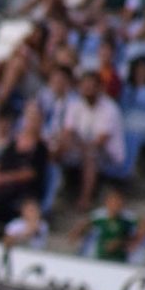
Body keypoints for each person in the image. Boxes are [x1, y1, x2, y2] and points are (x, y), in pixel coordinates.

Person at [58, 70, 126, 210]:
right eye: (84, 86)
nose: (87, 89)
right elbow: (68, 132)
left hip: (107, 154)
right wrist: (63, 145)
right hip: (81, 147)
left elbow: (100, 141)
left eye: (91, 86)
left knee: (91, 154)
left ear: (99, 88)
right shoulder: (75, 105)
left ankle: (85, 199)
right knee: (55, 148)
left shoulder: (110, 108)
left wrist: (79, 146)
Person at [71, 188, 136, 263]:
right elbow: (85, 225)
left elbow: (142, 226)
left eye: (118, 203)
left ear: (122, 205)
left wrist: (125, 242)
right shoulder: (99, 215)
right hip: (99, 255)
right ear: (107, 203)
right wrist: (78, 233)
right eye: (112, 202)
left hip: (120, 259)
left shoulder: (128, 217)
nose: (115, 206)